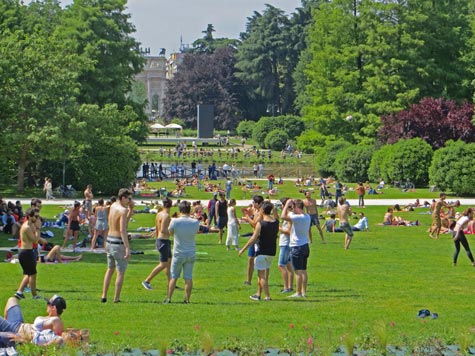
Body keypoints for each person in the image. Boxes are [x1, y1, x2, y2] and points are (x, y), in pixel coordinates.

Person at [239, 201, 279, 301]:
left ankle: (267, 296)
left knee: (261, 276)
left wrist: (243, 249)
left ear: (261, 210)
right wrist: (272, 207)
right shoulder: (276, 222)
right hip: (272, 252)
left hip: (261, 251)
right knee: (263, 275)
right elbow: (276, 214)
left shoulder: (261, 224)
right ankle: (258, 294)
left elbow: (253, 239)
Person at [101, 188, 134, 303]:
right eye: (129, 198)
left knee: (110, 269)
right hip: (117, 242)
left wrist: (131, 210)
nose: (130, 201)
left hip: (109, 240)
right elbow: (122, 229)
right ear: (123, 198)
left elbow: (121, 222)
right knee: (120, 272)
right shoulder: (123, 210)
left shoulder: (113, 205)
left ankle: (104, 295)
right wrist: (127, 248)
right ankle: (116, 298)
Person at [163, 201, 200, 304]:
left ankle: (169, 298)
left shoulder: (175, 221)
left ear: (180, 210)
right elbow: (196, 231)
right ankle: (187, 299)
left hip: (178, 252)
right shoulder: (195, 222)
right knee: (188, 277)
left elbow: (170, 233)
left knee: (174, 277)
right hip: (191, 252)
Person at [0, 295, 66, 347]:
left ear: (53, 308)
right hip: (19, 325)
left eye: (48, 303)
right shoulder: (50, 317)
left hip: (18, 331)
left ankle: (5, 330)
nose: (47, 305)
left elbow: (52, 341)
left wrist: (25, 340)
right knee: (12, 300)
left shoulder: (56, 321)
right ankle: (5, 329)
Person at [281, 198, 311, 298]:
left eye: (294, 207)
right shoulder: (307, 217)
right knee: (304, 270)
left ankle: (298, 292)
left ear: (297, 207)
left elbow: (283, 216)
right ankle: (304, 292)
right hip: (305, 245)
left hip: (296, 246)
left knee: (298, 271)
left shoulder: (297, 218)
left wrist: (286, 205)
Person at [14, 208, 46, 300]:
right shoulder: (26, 227)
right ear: (29, 216)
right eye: (35, 216)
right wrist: (38, 228)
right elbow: (35, 240)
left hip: (27, 252)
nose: (37, 218)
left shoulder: (29, 225)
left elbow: (35, 238)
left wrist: (41, 238)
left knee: (28, 274)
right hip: (26, 253)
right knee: (33, 274)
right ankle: (34, 295)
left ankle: (19, 292)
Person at [142, 198, 173, 291]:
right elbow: (163, 230)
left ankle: (170, 283)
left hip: (161, 240)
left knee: (169, 263)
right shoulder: (166, 216)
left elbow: (157, 228)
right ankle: (147, 281)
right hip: (163, 241)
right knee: (163, 264)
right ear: (171, 205)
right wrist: (172, 233)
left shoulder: (159, 214)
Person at [242, 195, 264, 285]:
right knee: (250, 259)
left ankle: (262, 280)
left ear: (257, 203)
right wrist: (248, 215)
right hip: (254, 235)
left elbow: (255, 224)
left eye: (254, 202)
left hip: (259, 238)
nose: (252, 204)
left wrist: (247, 217)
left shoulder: (261, 213)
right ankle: (249, 280)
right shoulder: (255, 211)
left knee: (260, 260)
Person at [277, 198, 294, 293]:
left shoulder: (289, 216)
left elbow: (288, 231)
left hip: (286, 243)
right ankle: (290, 286)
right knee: (289, 266)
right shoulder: (289, 215)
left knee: (281, 265)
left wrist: (278, 228)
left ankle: (286, 287)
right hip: (287, 243)